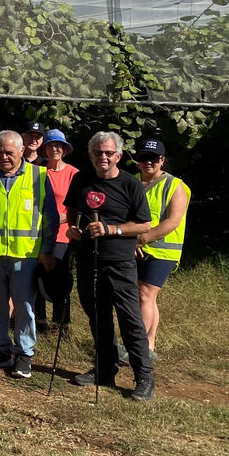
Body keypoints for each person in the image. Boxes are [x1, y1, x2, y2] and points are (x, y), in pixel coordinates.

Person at [65, 131, 154, 401]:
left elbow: (144, 224)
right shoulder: (81, 179)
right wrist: (72, 230)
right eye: (97, 153)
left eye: (108, 153)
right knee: (98, 317)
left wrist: (111, 229)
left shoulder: (130, 184)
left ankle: (144, 377)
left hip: (119, 262)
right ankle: (105, 369)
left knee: (130, 319)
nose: (103, 157)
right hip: (87, 260)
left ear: (117, 155)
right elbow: (72, 210)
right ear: (90, 155)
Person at [0, 131, 59, 379]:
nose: (3, 157)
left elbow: (51, 217)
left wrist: (47, 250)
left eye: (9, 152)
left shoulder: (38, 176)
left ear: (22, 151)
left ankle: (24, 354)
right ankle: (0, 350)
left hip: (26, 255)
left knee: (24, 307)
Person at [134, 137, 190, 358]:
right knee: (146, 296)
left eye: (153, 158)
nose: (148, 162)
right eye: (143, 158)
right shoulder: (133, 182)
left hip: (162, 251)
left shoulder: (175, 185)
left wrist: (141, 239)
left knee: (145, 294)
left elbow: (172, 221)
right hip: (139, 248)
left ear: (162, 160)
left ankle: (138, 347)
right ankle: (148, 344)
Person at [37, 129, 78, 328]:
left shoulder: (73, 173)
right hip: (38, 232)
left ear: (64, 149)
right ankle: (40, 320)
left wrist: (58, 219)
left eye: (58, 145)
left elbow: (76, 205)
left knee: (61, 276)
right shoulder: (37, 171)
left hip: (62, 233)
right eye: (51, 145)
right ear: (44, 148)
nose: (55, 149)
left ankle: (62, 322)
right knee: (38, 275)